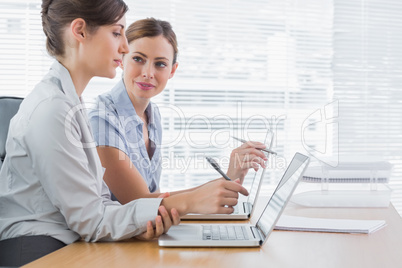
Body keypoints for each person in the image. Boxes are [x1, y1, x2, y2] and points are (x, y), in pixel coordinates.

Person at [0, 1, 189, 266]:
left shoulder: (70, 103)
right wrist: (191, 203)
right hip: (35, 249)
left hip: (66, 241)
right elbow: (91, 220)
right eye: (116, 32)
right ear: (80, 31)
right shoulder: (52, 109)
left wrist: (140, 224)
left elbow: (99, 202)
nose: (124, 46)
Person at [89, 18, 268, 206]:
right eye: (138, 59)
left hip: (139, 233)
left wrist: (230, 178)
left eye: (160, 64)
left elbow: (155, 199)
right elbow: (139, 203)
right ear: (122, 59)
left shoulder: (152, 115)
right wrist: (219, 188)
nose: (148, 72)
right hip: (110, 234)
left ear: (172, 70)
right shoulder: (102, 119)